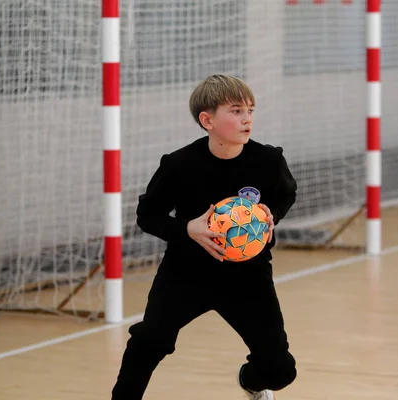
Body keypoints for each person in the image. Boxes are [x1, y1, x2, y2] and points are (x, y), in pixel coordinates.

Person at [111, 74, 298, 400]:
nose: (247, 118)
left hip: (248, 277)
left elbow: (286, 194)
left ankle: (252, 382)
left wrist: (272, 214)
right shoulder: (179, 165)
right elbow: (147, 215)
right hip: (186, 274)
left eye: (250, 110)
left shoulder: (268, 161)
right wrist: (186, 229)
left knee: (279, 370)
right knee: (149, 341)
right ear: (207, 120)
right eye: (236, 110)